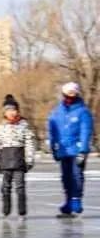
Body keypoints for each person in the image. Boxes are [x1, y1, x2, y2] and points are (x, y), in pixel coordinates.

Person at [48, 82, 94, 216]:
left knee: (77, 176)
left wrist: (83, 150)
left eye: (73, 94)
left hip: (77, 150)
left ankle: (76, 200)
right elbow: (52, 131)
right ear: (63, 94)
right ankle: (68, 201)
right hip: (63, 150)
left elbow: (86, 131)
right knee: (66, 177)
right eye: (68, 94)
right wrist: (53, 147)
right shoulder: (57, 112)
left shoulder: (83, 111)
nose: (70, 96)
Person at [0, 94, 36, 218]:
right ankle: (6, 209)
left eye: (14, 110)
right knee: (6, 186)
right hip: (5, 161)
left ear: (18, 111)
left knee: (20, 186)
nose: (11, 113)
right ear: (4, 112)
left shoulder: (24, 126)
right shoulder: (1, 127)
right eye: (8, 110)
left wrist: (29, 159)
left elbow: (30, 143)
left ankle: (22, 211)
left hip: (19, 161)